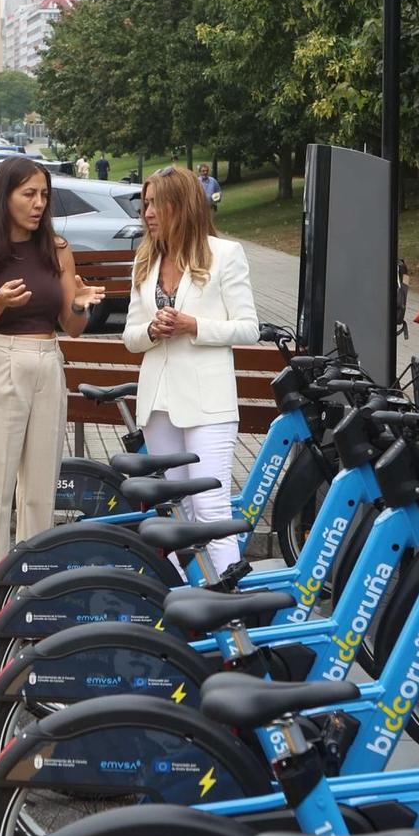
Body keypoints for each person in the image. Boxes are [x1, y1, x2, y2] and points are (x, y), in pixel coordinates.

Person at [0, 158, 106, 656]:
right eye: (28, 195)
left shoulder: (57, 249)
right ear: (5, 196)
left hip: (46, 361)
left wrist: (80, 305)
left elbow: (71, 326)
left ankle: (35, 612)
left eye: (44, 195)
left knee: (39, 495)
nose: (39, 204)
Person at [123, 167, 260, 577]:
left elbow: (248, 328)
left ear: (181, 207)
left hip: (207, 402)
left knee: (209, 505)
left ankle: (229, 597)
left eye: (156, 204)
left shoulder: (224, 254)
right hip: (158, 402)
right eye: (145, 203)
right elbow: (130, 336)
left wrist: (193, 326)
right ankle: (181, 594)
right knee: (173, 507)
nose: (147, 212)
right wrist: (151, 330)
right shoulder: (146, 259)